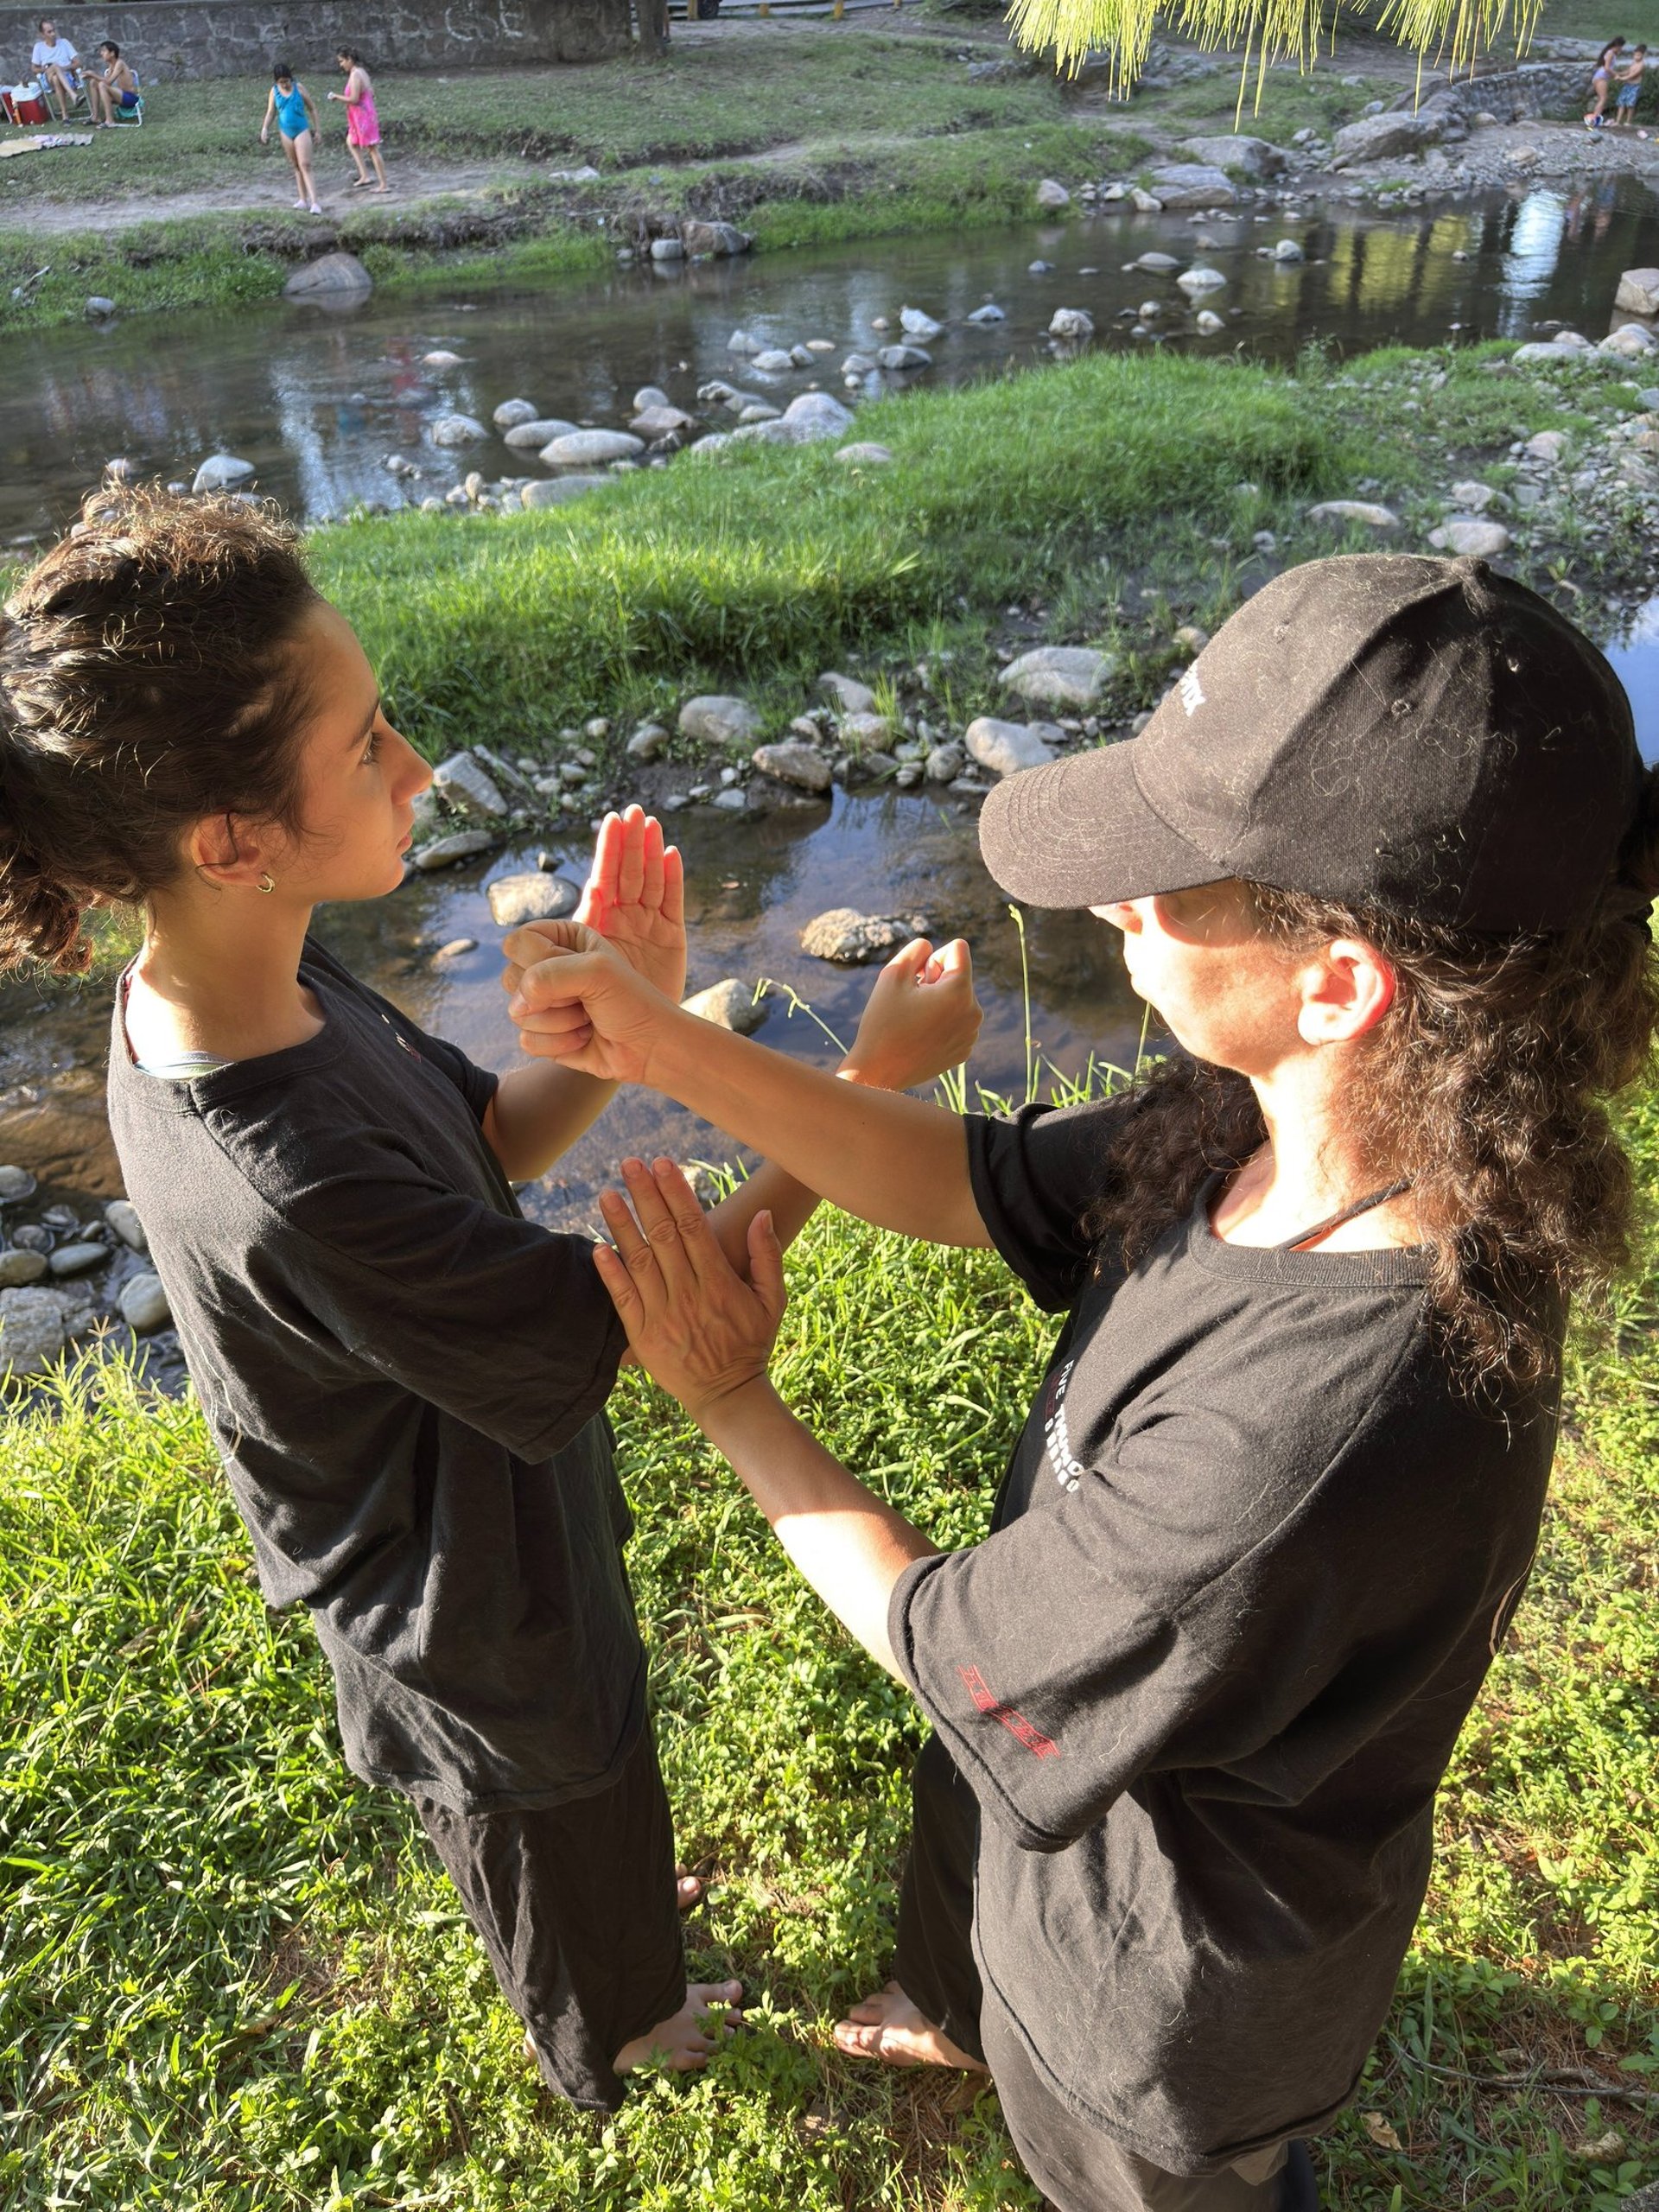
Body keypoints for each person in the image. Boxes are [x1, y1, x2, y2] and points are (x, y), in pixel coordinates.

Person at [501, 554, 1659, 2210]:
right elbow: (966, 1179)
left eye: (1169, 883)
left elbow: (955, 1647)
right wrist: (659, 1042)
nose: (1116, 905)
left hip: (1163, 2016)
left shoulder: (1318, 1426)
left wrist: (732, 1397)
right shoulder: (1284, 1123)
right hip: (1076, 1865)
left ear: (1341, 981)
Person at [0, 487, 982, 2113]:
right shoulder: (289, 1174)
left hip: (496, 1489)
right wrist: (866, 1089)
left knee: (591, 1757)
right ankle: (616, 2033)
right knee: (542, 1787)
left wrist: (630, 1013)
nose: (418, 770)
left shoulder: (249, 973)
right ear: (231, 840)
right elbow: (660, 1315)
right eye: (366, 746)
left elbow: (492, 1137)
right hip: (445, 1593)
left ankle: (615, 1914)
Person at [261, 61, 321, 215]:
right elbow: (271, 112)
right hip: (285, 132)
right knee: (296, 166)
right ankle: (303, 199)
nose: (285, 85)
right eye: (281, 82)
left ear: (291, 78)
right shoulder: (274, 91)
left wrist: (318, 130)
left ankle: (315, 202)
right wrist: (265, 128)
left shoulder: (299, 88)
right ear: (276, 82)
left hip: (301, 130)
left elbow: (312, 108)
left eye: (286, 81)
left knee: (305, 164)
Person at [327, 48, 386, 191]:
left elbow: (354, 99)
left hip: (363, 117)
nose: (341, 65)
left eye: (342, 61)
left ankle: (383, 184)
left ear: (349, 59)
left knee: (372, 149)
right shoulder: (361, 72)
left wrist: (336, 97)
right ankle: (365, 175)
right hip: (362, 115)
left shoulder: (355, 75)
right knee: (351, 141)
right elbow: (371, 93)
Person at [29, 16, 79, 122]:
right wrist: (47, 69)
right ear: (42, 34)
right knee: (55, 67)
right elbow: (34, 69)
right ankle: (72, 95)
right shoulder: (39, 47)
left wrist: (62, 68)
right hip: (48, 79)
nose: (53, 34)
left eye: (53, 30)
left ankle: (65, 115)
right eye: (49, 32)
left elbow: (78, 63)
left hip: (67, 78)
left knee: (56, 77)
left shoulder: (64, 43)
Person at [85, 40, 138, 129]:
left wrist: (93, 74)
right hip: (121, 96)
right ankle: (95, 117)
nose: (101, 53)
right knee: (93, 82)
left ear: (112, 53)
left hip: (131, 98)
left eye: (104, 51)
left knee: (102, 85)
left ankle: (110, 121)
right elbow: (106, 81)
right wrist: (92, 77)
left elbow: (108, 82)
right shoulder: (111, 65)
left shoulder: (120, 63)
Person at [1585, 35, 1626, 125]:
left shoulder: (1610, 53)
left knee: (1601, 99)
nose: (1621, 49)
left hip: (1600, 77)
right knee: (1603, 99)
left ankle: (1595, 118)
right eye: (1621, 47)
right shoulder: (1610, 53)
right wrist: (1616, 75)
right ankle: (1594, 119)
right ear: (1618, 45)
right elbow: (1607, 68)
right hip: (1601, 77)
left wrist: (1619, 74)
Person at [1612, 43, 1647, 123]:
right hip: (1627, 85)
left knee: (1630, 105)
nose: (1636, 57)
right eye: (1635, 55)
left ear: (1643, 55)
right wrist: (1619, 73)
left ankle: (1628, 122)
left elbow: (1632, 75)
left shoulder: (1641, 65)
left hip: (1635, 86)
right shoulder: (1634, 62)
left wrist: (1621, 78)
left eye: (1638, 55)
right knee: (1621, 102)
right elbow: (1628, 71)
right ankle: (1618, 121)